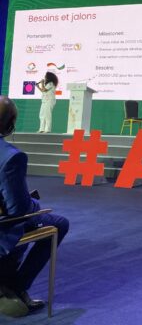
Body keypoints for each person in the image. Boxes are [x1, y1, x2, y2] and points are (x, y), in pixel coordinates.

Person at [0, 96, 69, 317]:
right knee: (59, 224)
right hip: (4, 226)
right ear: (10, 124)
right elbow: (18, 210)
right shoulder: (12, 157)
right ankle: (17, 286)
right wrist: (35, 204)